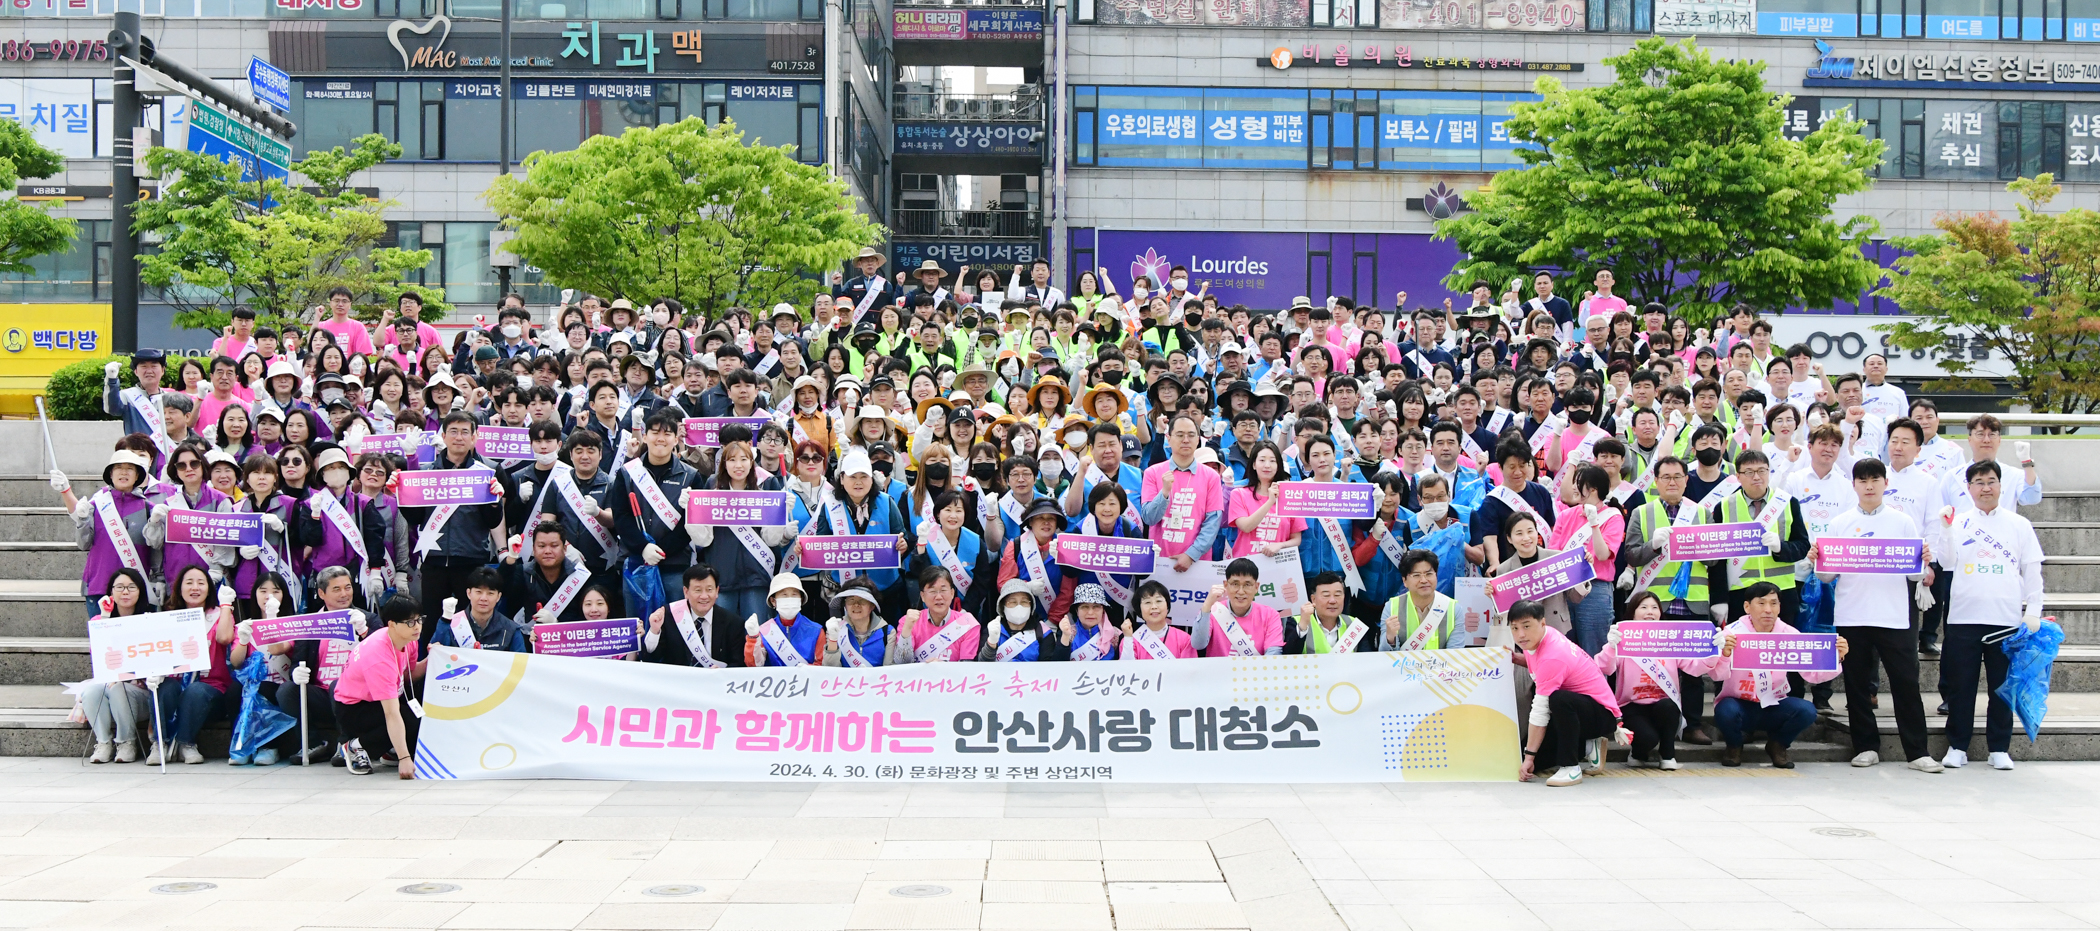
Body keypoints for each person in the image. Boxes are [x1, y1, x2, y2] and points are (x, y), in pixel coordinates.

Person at [1818, 458, 1940, 773]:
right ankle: (1866, 746)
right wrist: (1817, 559)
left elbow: (1915, 577)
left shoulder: (1902, 522)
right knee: (1857, 685)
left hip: (1895, 616)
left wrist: (1923, 562)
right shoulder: (1839, 523)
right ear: (1854, 485)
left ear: (1886, 483)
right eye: (1862, 480)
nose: (1869, 486)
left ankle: (1917, 752)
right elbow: (1827, 577)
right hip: (1852, 613)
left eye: (1875, 479)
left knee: (1905, 683)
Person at [1934, 460, 2046, 771]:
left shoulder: (2018, 524)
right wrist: (1944, 529)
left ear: (2001, 486)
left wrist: (2033, 611)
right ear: (1968, 488)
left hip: (2005, 619)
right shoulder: (1958, 522)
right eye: (1979, 482)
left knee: (2002, 686)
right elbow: (1947, 561)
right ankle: (1957, 745)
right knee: (1960, 686)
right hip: (1963, 617)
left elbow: (2032, 570)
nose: (1986, 488)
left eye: (1991, 481)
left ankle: (1999, 747)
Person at [1687, 581, 1846, 768]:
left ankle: (1778, 745)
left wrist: (1837, 657)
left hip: (1774, 703)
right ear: (1747, 607)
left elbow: (1812, 675)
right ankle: (1734, 746)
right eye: (1761, 603)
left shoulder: (1789, 634)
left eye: (1774, 603)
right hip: (1739, 703)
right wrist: (1725, 654)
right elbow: (1716, 675)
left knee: (1807, 711)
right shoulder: (1732, 633)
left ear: (1780, 607)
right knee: (1725, 711)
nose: (1768, 609)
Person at [408, 412, 514, 643]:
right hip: (434, 560)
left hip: (470, 558)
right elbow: (414, 517)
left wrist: (495, 499)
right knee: (433, 622)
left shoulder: (488, 470)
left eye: (465, 431)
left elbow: (493, 520)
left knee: (471, 621)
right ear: (443, 436)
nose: (459, 437)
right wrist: (402, 493)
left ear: (475, 437)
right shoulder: (426, 472)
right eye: (453, 431)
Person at [1512, 599, 1620, 787]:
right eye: (1514, 628)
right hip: (1578, 711)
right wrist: (1515, 658)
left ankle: (1570, 768)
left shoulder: (1553, 654)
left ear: (1542, 623)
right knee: (1523, 761)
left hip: (1601, 714)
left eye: (1526, 626)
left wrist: (1529, 756)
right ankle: (1586, 746)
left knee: (1558, 700)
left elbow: (1540, 711)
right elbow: (1537, 661)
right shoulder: (1539, 638)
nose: (1521, 634)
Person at [332, 594, 423, 777]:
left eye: (419, 620)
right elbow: (391, 713)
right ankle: (356, 746)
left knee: (417, 713)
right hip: (353, 708)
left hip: (378, 698)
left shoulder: (409, 640)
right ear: (392, 624)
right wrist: (405, 759)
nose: (417, 626)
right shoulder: (379, 656)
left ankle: (389, 750)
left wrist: (434, 657)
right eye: (410, 622)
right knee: (408, 718)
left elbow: (408, 675)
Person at [1594, 592, 1685, 770]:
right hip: (1631, 705)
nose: (1649, 612)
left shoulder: (1671, 639)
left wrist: (1717, 651)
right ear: (1632, 613)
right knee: (1647, 738)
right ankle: (1637, 753)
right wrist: (1612, 647)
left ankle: (1668, 755)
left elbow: (1697, 666)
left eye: (1654, 607)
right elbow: (1603, 667)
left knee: (1669, 708)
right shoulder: (1623, 638)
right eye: (1643, 607)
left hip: (1662, 703)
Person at [82, 568, 153, 763]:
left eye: (131, 587)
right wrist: (105, 618)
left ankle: (127, 742)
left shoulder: (150, 620)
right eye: (119, 587)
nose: (125, 592)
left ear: (140, 591)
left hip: (141, 692)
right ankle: (103, 743)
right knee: (91, 690)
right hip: (111, 687)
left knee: (119, 688)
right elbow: (100, 658)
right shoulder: (100, 621)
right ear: (111, 592)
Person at [643, 565, 743, 668]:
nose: (704, 596)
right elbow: (650, 658)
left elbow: (738, 664)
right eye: (698, 590)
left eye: (709, 589)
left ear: (717, 591)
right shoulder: (669, 615)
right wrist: (654, 631)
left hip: (715, 682)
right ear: (686, 592)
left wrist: (722, 673)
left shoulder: (733, 623)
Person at [1193, 557, 1284, 657]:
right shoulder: (1213, 611)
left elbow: (1273, 654)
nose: (1241, 591)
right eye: (1235, 584)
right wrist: (1206, 606)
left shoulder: (1270, 615)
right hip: (1219, 671)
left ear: (1256, 587)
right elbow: (1198, 645)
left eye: (1247, 584)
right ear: (1226, 585)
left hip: (1255, 671)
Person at [430, 567, 530, 652]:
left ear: (498, 597)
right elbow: (436, 655)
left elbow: (520, 665)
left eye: (490, 593)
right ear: (469, 593)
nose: (483, 598)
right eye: (478, 592)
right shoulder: (450, 624)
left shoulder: (511, 629)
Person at [1378, 550, 1457, 651]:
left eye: (1429, 574)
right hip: (1404, 666)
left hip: (1441, 666)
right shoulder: (1392, 607)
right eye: (1416, 575)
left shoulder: (1453, 608)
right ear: (1404, 581)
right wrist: (1390, 639)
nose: (1424, 580)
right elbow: (1384, 656)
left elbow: (1456, 655)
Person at [822, 578, 911, 667]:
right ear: (845, 605)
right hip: (845, 680)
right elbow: (830, 671)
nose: (856, 605)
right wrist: (833, 639)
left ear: (872, 606)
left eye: (862, 600)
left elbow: (888, 669)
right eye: (851, 600)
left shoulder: (887, 632)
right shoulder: (836, 628)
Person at [743, 572, 825, 666]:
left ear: (801, 599)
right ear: (773, 601)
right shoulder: (764, 631)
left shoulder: (816, 631)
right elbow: (754, 665)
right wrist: (753, 638)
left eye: (794, 594)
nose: (789, 599)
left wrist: (808, 669)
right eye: (784, 595)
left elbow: (822, 666)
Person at [979, 578, 1070, 662]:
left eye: (1024, 602)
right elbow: (981, 668)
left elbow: (1049, 668)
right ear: (1003, 607)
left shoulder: (1043, 632)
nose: (1019, 606)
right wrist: (991, 644)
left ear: (1031, 606)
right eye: (1013, 602)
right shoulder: (994, 629)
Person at [1284, 570, 1375, 654]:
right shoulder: (1298, 622)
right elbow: (1287, 658)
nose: (1332, 601)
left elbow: (1365, 661)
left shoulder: (1354, 625)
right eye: (1326, 595)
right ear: (1313, 599)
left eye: (1337, 595)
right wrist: (1302, 627)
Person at [905, 566, 980, 662]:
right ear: (922, 596)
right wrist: (907, 630)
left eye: (943, 590)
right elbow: (902, 663)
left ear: (952, 593)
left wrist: (943, 669)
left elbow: (966, 667)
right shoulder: (908, 622)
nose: (939, 597)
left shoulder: (968, 624)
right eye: (932, 591)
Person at [1120, 580, 1196, 660]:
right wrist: (1128, 639)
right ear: (1139, 609)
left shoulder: (1184, 639)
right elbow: (1127, 670)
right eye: (1147, 602)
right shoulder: (1132, 641)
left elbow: (1189, 670)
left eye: (1158, 601)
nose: (1154, 607)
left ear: (1167, 605)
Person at [1053, 583, 1122, 662]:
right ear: (1076, 610)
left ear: (1103, 610)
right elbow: (1058, 667)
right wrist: (1065, 636)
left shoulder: (1116, 636)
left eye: (1096, 607)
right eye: (1085, 607)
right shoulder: (1067, 633)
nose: (1090, 612)